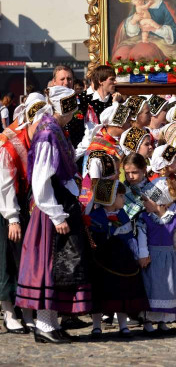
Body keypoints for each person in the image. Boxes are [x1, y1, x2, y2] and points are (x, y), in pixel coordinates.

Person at [15, 86, 92, 343]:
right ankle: (44, 325)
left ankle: (49, 323)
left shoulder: (55, 129)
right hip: (50, 211)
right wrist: (57, 215)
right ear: (64, 108)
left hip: (59, 204)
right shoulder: (48, 133)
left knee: (59, 268)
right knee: (50, 266)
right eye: (71, 109)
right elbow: (41, 180)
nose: (74, 114)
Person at [0, 94, 48, 334]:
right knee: (7, 260)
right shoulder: (10, 143)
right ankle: (9, 312)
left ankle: (27, 310)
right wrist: (13, 218)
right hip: (7, 206)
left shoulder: (38, 141)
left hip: (27, 202)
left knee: (27, 260)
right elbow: (5, 183)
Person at [86, 179, 149, 339]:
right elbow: (93, 237)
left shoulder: (123, 214)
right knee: (100, 293)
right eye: (120, 196)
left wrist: (136, 254)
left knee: (123, 292)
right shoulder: (96, 216)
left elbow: (129, 238)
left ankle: (123, 325)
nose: (123, 198)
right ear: (109, 198)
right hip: (103, 260)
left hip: (123, 260)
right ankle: (96, 326)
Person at [137, 176, 176, 335]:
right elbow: (142, 238)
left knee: (167, 288)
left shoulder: (174, 220)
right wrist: (143, 254)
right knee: (152, 287)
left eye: (146, 200)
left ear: (159, 201)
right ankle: (148, 321)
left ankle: (163, 320)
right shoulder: (145, 219)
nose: (143, 203)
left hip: (168, 259)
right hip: (152, 259)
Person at [112, 0, 176, 61]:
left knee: (142, 53)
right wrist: (133, 21)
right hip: (142, 38)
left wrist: (154, 28)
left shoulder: (167, 4)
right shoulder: (141, 3)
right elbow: (132, 30)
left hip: (164, 43)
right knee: (121, 53)